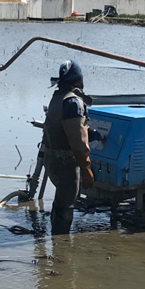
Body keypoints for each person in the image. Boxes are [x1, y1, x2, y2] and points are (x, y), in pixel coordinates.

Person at [43, 60, 94, 234]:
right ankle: (61, 249)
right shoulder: (73, 102)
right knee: (66, 208)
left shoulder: (57, 97)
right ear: (78, 78)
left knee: (60, 202)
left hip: (52, 160)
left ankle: (54, 240)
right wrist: (87, 169)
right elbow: (78, 143)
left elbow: (55, 128)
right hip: (66, 163)